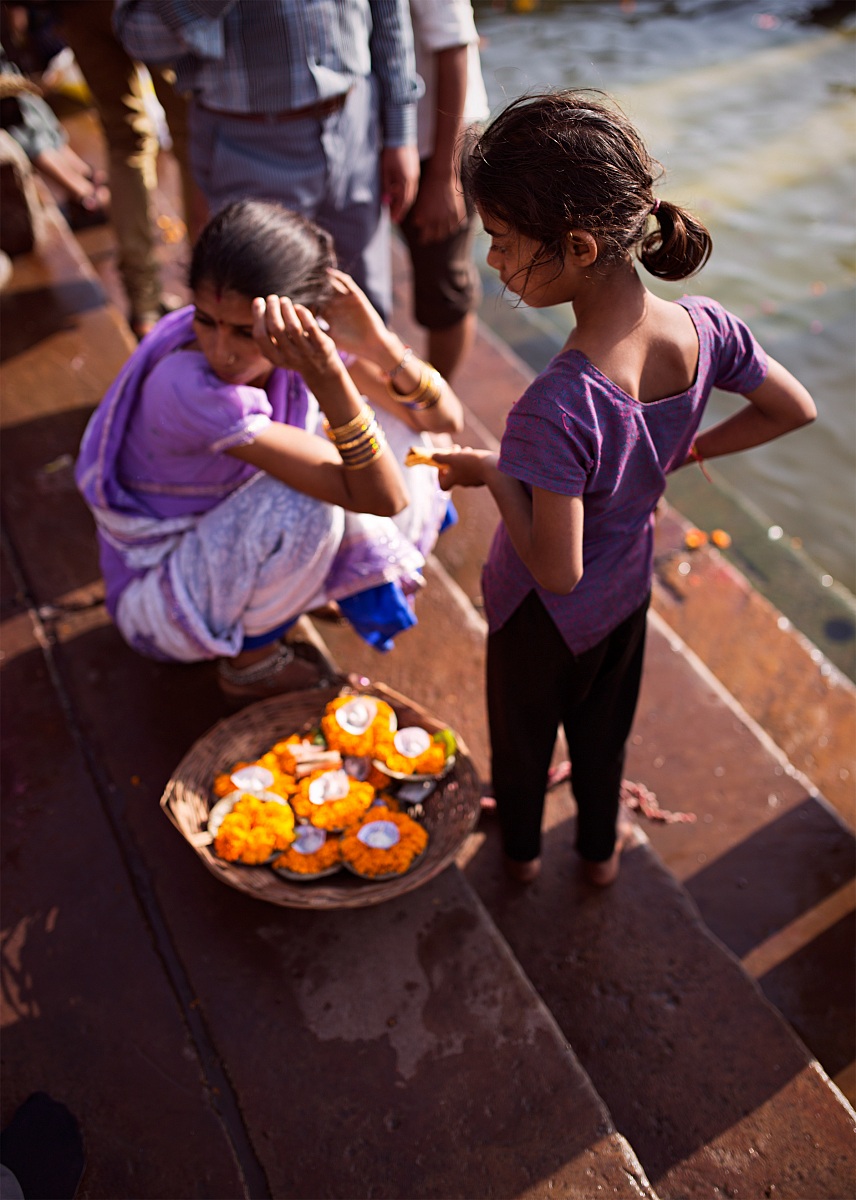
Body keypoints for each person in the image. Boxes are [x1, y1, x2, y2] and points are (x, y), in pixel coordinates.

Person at [432, 90, 816, 886]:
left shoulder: (556, 406)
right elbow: (794, 408)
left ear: (575, 246)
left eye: (502, 241)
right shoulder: (707, 328)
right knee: (603, 738)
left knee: (524, 739)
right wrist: (681, 449)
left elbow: (556, 570)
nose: (493, 261)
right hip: (626, 592)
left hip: (541, 618)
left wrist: (496, 478)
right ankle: (601, 858)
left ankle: (523, 859)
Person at [75, 199, 463, 703]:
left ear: (299, 314)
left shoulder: (297, 339)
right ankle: (250, 664)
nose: (222, 351)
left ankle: (305, 588)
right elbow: (382, 498)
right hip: (160, 601)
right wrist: (328, 378)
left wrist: (377, 343)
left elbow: (441, 423)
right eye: (206, 320)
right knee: (311, 501)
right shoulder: (190, 387)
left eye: (242, 331)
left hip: (217, 552)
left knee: (408, 439)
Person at [112, 0, 421, 322]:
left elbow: (390, 14)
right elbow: (138, 39)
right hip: (245, 142)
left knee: (366, 308)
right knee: (260, 324)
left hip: (358, 125)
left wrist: (401, 131)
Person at [399, 0, 489, 381]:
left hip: (438, 142)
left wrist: (444, 175)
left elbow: (456, 46)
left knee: (444, 285)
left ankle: (440, 400)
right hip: (391, 140)